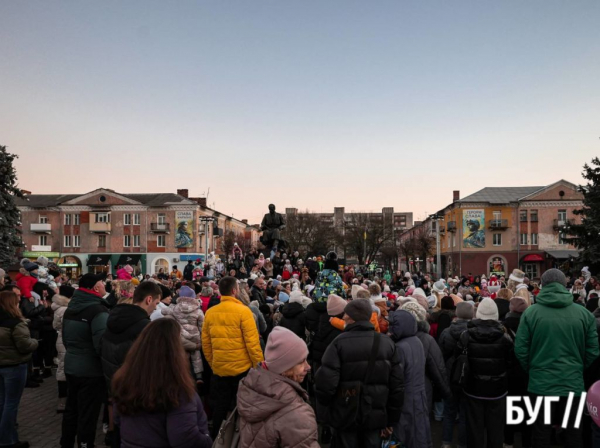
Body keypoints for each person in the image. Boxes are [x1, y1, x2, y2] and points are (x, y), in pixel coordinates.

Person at [515, 269, 599, 448]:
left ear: (543, 285)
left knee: (541, 433)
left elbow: (521, 349)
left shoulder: (531, 313)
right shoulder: (583, 314)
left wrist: (533, 369)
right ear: (564, 284)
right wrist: (578, 367)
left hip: (541, 385)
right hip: (572, 385)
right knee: (573, 433)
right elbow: (593, 350)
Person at [315, 299, 404, 448]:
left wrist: (327, 415)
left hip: (346, 412)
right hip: (375, 415)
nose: (343, 317)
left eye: (346, 314)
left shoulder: (338, 343)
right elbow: (397, 386)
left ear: (351, 317)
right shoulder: (386, 343)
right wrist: (391, 420)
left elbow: (325, 384)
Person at [111, 318, 212, 448]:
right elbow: (185, 439)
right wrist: (207, 439)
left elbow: (118, 419)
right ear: (175, 351)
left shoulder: (125, 381)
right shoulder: (177, 391)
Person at [201, 276, 264, 439]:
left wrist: (214, 363)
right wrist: (258, 366)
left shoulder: (210, 312)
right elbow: (253, 344)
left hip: (220, 370)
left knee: (219, 409)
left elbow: (206, 344)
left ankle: (218, 439)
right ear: (235, 291)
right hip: (242, 371)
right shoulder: (244, 311)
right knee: (243, 408)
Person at [237, 326, 319, 447]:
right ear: (284, 368)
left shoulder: (251, 388)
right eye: (301, 361)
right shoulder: (296, 415)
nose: (308, 367)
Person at [60, 273, 110, 448]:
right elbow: (101, 344)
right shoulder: (98, 310)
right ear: (96, 288)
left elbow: (65, 339)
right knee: (88, 412)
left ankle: (66, 443)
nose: (105, 285)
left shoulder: (71, 308)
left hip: (72, 365)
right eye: (103, 283)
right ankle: (85, 443)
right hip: (91, 370)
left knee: (71, 409)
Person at [461, 297, 513, 448]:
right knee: (496, 428)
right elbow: (510, 363)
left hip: (473, 388)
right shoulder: (505, 337)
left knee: (474, 428)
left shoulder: (466, 335)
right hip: (497, 389)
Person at [0, 290, 39, 448]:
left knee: (2, 402)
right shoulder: (15, 322)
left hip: (2, 365)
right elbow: (25, 346)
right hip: (14, 366)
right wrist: (35, 342)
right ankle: (7, 440)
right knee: (11, 404)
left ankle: (6, 436)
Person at [389, 309, 430, 448]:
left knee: (405, 434)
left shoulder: (400, 347)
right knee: (419, 431)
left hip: (406, 398)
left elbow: (397, 377)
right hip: (419, 394)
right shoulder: (416, 341)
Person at [438, 301, 473, 448]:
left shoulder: (447, 332)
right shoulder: (473, 332)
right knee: (465, 412)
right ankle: (462, 444)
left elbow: (441, 353)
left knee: (449, 411)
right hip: (467, 375)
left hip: (450, 373)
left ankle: (446, 442)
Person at [52, 287, 73, 413]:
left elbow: (55, 325)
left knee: (61, 367)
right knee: (65, 368)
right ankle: (64, 399)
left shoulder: (58, 308)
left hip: (60, 339)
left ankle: (62, 399)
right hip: (66, 340)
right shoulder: (67, 309)